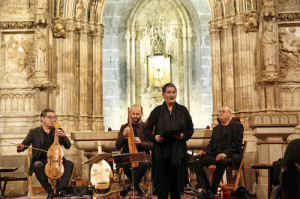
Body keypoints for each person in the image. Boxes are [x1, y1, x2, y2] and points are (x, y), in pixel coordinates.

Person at [144, 83, 194, 199]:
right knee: (162, 189)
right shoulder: (156, 111)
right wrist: (154, 137)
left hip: (178, 154)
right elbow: (147, 130)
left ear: (176, 94)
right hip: (161, 154)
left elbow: (190, 129)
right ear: (163, 95)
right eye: (168, 92)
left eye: (173, 92)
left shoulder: (183, 110)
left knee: (176, 190)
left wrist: (183, 135)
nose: (171, 94)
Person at [17, 109, 74, 198]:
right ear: (42, 118)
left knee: (69, 164)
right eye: (49, 117)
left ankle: (61, 191)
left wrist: (64, 136)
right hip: (41, 160)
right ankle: (50, 191)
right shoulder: (34, 132)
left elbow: (68, 146)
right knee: (36, 165)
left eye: (53, 118)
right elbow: (24, 145)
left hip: (57, 160)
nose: (52, 120)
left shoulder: (58, 130)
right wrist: (20, 147)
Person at [193, 106, 244, 195]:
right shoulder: (216, 129)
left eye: (223, 111)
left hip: (231, 155)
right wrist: (204, 151)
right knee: (197, 160)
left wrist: (225, 153)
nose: (220, 113)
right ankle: (205, 186)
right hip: (216, 155)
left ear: (230, 114)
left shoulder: (238, 126)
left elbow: (237, 144)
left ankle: (213, 189)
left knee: (222, 161)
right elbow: (211, 144)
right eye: (220, 112)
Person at [115, 104, 153, 197]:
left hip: (143, 155)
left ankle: (128, 187)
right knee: (123, 162)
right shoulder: (124, 127)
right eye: (133, 114)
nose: (135, 116)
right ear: (130, 114)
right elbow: (117, 146)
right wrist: (123, 134)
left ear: (142, 114)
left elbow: (152, 145)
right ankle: (137, 186)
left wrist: (141, 142)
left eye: (137, 114)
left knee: (144, 162)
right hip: (127, 155)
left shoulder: (146, 127)